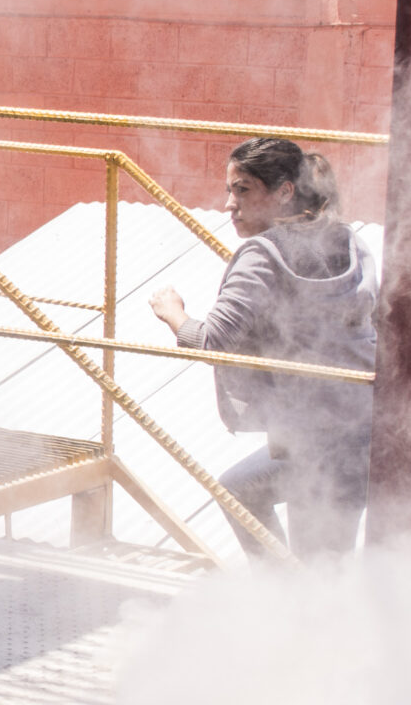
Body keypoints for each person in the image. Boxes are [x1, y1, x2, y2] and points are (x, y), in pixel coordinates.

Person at [150, 138, 376, 556]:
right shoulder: (349, 240)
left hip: (313, 438)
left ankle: (284, 600)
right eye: (229, 190)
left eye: (243, 189)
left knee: (313, 565)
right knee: (320, 553)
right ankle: (288, 599)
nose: (229, 205)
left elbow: (213, 339)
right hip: (366, 428)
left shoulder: (262, 253)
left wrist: (173, 312)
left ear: (285, 191)